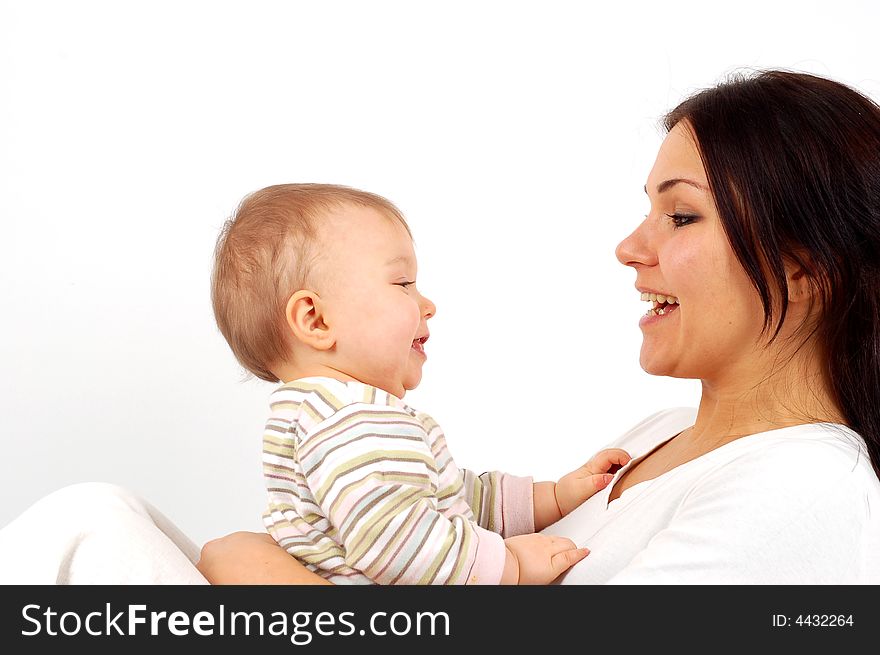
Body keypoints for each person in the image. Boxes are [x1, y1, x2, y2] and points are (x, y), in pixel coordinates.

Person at [2, 69, 879, 586]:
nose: (629, 246)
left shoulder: (803, 494)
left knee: (86, 529)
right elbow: (463, 502)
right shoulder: (656, 438)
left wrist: (265, 580)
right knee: (94, 520)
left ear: (803, 267)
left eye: (680, 217)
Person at [209, 183, 630, 585]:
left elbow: (444, 499)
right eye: (403, 284)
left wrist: (550, 498)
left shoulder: (319, 417)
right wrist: (513, 565)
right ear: (316, 320)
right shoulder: (354, 419)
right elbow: (396, 543)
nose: (427, 303)